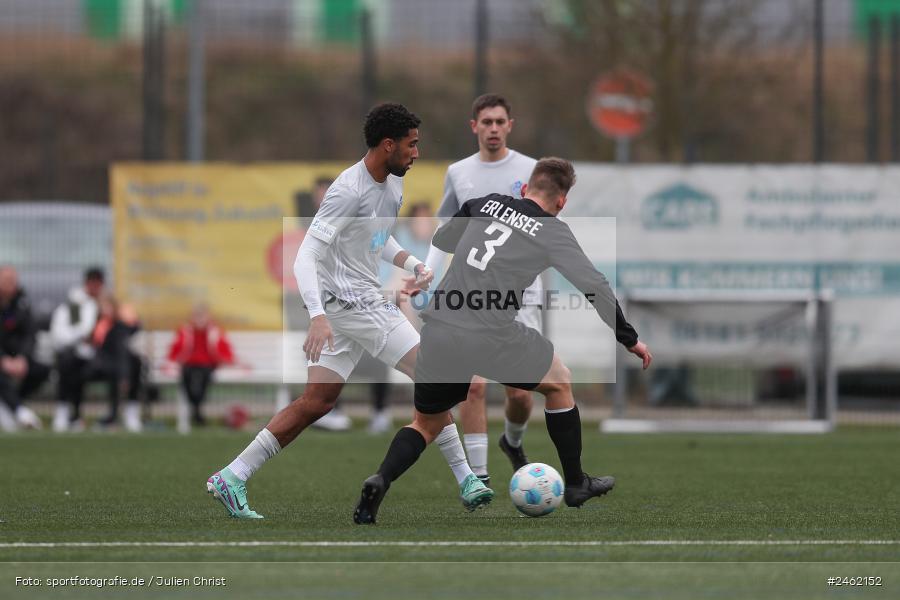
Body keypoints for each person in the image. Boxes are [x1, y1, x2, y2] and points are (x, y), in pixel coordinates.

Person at [206, 103, 493, 519]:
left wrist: (413, 265)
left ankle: (232, 476)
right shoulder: (347, 190)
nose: (417, 154)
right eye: (412, 146)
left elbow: (377, 240)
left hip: (352, 305)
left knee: (316, 402)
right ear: (388, 145)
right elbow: (305, 256)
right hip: (356, 305)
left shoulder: (393, 182)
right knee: (435, 375)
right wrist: (317, 315)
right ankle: (468, 478)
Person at [354, 157, 653, 524]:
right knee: (559, 381)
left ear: (526, 188)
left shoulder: (485, 203)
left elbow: (443, 237)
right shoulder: (552, 230)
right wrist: (629, 338)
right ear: (561, 203)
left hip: (439, 326)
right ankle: (575, 484)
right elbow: (594, 286)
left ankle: (380, 479)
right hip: (488, 333)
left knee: (426, 424)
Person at [424, 93, 541, 485]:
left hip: (519, 293)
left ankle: (512, 440)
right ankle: (480, 478)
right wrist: (429, 272)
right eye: (486, 122)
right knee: (472, 385)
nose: (493, 128)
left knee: (520, 393)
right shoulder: (459, 172)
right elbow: (447, 231)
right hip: (472, 293)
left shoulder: (531, 169)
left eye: (499, 122)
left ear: (511, 125)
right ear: (473, 126)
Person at [49, 266, 105, 432]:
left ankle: (110, 417)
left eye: (99, 284)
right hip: (73, 355)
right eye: (93, 283)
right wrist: (81, 335)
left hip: (94, 357)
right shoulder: (73, 306)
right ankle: (65, 412)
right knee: (69, 364)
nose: (96, 288)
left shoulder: (104, 305)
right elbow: (61, 335)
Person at [167, 303, 236, 426]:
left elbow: (223, 347)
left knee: (204, 376)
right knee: (185, 375)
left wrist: (227, 359)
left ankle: (196, 408)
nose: (199, 320)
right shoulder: (185, 330)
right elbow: (177, 347)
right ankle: (197, 408)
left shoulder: (214, 331)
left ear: (208, 317)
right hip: (189, 363)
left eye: (202, 317)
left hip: (207, 364)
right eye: (197, 317)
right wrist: (172, 360)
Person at [85, 294, 143, 432]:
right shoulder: (99, 324)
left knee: (134, 362)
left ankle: (128, 411)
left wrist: (133, 320)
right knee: (117, 370)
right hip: (101, 365)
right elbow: (93, 342)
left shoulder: (120, 326)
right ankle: (113, 414)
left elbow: (133, 331)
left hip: (120, 365)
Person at [0, 265, 44, 430]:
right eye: (6, 280)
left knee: (41, 370)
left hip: (17, 358)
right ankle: (19, 411)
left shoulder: (22, 303)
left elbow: (30, 334)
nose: (11, 284)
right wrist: (3, 360)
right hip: (2, 359)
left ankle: (10, 405)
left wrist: (22, 358)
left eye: (13, 281)